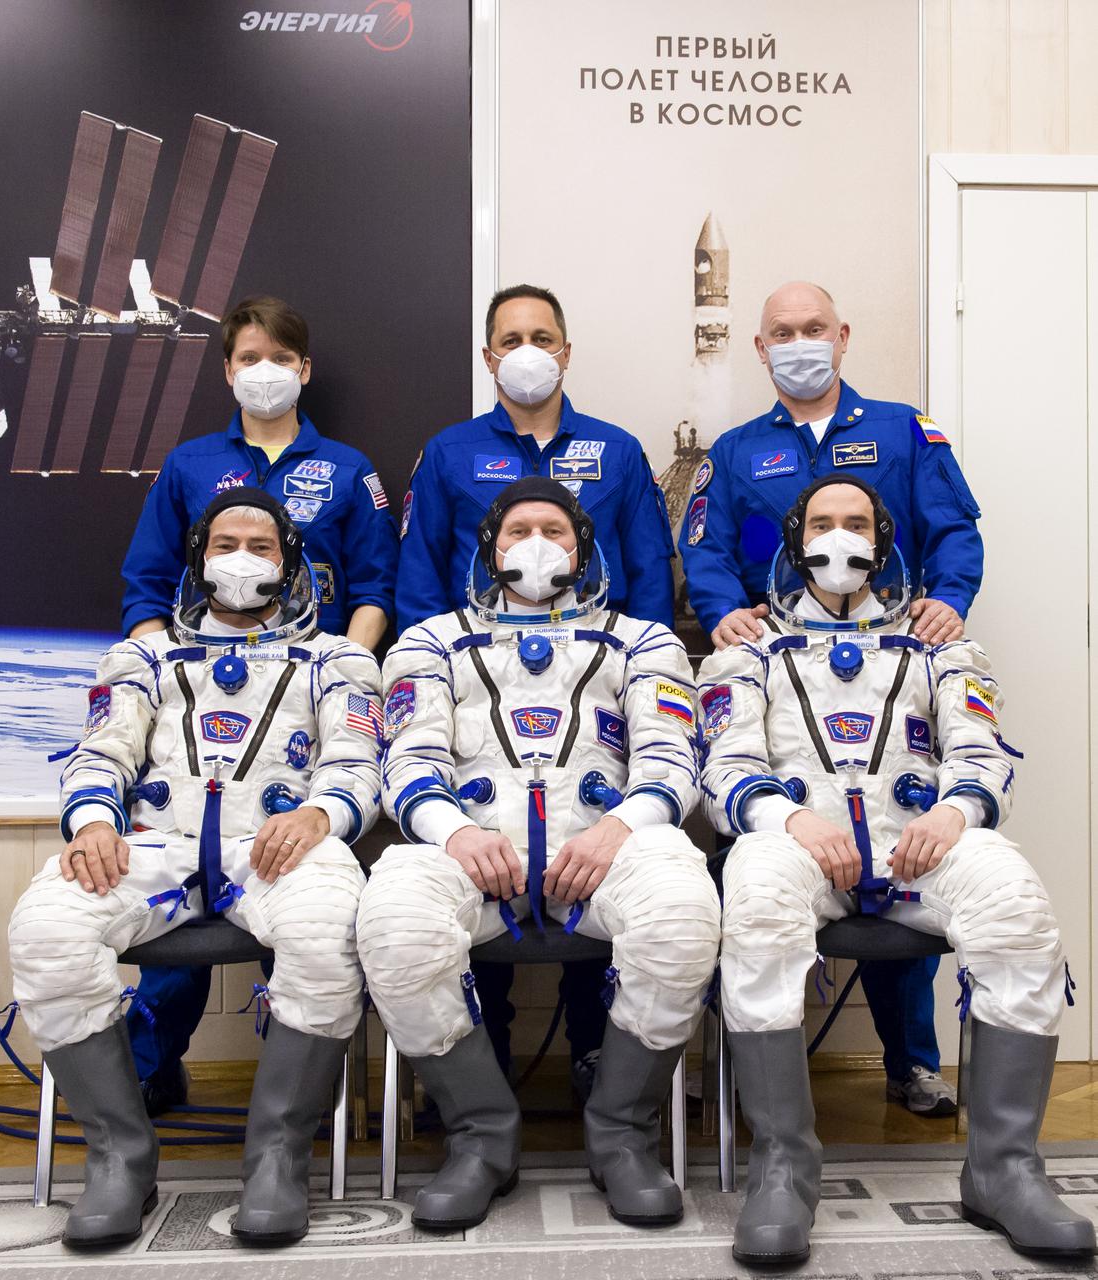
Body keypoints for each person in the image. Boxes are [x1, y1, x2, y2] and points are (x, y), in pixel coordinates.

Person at [697, 475, 1094, 1265]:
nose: (839, 537)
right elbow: (727, 768)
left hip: (920, 842)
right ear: (794, 539)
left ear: (883, 542)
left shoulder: (943, 645)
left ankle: (1004, 1171)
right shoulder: (746, 651)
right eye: (821, 522)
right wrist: (791, 819)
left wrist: (956, 812)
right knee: (756, 903)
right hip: (800, 842)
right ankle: (784, 1170)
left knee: (1016, 907)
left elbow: (982, 753)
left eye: (857, 522)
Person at [8, 489, 381, 1248]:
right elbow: (100, 754)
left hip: (279, 844)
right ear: (199, 561)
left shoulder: (335, 659)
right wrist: (93, 823)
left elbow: (356, 761)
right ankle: (120, 1158)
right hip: (156, 846)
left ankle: (277, 1157)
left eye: (261, 547)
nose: (241, 560)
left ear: (291, 563)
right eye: (224, 545)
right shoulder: (142, 658)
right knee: (46, 929)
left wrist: (320, 814)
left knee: (328, 929)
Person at [358, 477, 720, 1230]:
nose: (535, 544)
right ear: (490, 550)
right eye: (517, 530)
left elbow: (671, 759)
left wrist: (619, 828)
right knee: (393, 924)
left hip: (604, 844)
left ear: (582, 549)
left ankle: (622, 1135)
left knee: (684, 915)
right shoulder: (430, 642)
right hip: (470, 847)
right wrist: (455, 832)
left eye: (554, 530)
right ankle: (481, 1136)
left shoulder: (643, 641)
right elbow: (409, 762)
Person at [681, 280, 986, 1117]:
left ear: (842, 335)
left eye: (813, 327)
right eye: (782, 332)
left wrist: (950, 599)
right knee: (755, 870)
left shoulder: (903, 430)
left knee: (906, 840)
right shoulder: (736, 452)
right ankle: (746, 1065)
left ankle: (910, 1062)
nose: (799, 343)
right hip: (781, 689)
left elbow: (954, 527)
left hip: (893, 678)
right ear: (759, 348)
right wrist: (724, 612)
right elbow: (705, 549)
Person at [396, 285, 677, 1097]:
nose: (528, 351)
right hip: (479, 695)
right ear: (489, 356)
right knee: (478, 850)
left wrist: (643, 683)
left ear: (566, 350)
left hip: (596, 697)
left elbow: (649, 579)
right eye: (511, 338)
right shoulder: (448, 452)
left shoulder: (617, 451)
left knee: (598, 844)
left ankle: (596, 1052)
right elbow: (421, 582)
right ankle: (484, 1064)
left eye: (542, 336)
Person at [119, 295, 398, 1113]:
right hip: (202, 714)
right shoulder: (189, 465)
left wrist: (347, 666)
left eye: (280, 357)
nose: (264, 371)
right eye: (249, 357)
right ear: (228, 370)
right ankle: (150, 1063)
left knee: (298, 884)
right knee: (178, 880)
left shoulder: (349, 470)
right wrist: (168, 676)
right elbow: (144, 585)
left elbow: (375, 586)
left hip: (308, 707)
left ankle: (295, 1079)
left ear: (304, 370)